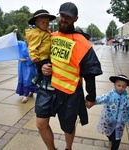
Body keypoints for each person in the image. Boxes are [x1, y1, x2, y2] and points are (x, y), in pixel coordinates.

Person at [35, 2, 103, 150]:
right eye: (62, 16)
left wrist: (91, 96)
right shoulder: (50, 37)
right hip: (48, 88)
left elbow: (90, 72)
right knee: (41, 123)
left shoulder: (82, 43)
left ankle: (68, 148)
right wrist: (42, 67)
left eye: (68, 17)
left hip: (70, 91)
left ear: (75, 19)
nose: (64, 19)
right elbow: (40, 57)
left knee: (68, 126)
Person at [89, 74, 129, 150]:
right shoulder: (110, 95)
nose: (121, 88)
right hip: (109, 121)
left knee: (117, 140)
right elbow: (101, 98)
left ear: (126, 87)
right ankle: (110, 139)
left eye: (123, 86)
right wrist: (92, 101)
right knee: (110, 134)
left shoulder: (127, 99)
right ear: (114, 84)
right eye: (119, 85)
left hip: (120, 123)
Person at [25, 9, 56, 90]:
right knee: (48, 70)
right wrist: (35, 57)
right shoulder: (37, 34)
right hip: (41, 57)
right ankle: (47, 84)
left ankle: (36, 80)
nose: (46, 24)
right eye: (43, 22)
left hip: (45, 55)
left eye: (47, 22)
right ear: (36, 23)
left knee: (41, 72)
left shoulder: (45, 32)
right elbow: (32, 47)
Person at [16, 37, 38, 103]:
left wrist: (26, 59)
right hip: (22, 66)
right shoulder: (21, 44)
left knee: (29, 79)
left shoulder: (34, 45)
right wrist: (14, 34)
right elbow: (14, 42)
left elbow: (36, 56)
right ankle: (27, 94)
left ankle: (28, 94)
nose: (27, 40)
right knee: (23, 79)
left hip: (31, 65)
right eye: (26, 39)